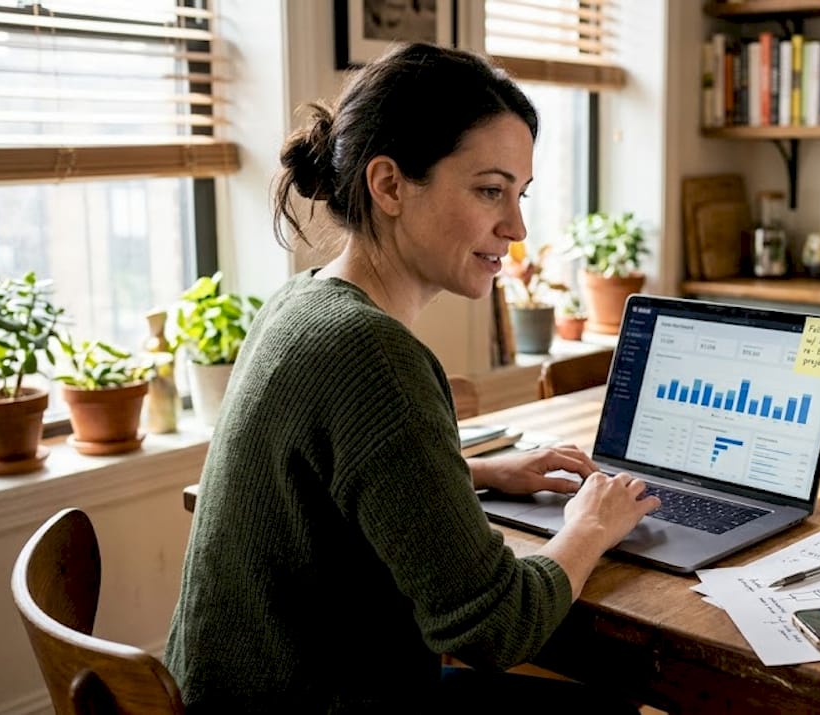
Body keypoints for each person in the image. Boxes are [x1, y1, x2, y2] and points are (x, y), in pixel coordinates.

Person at [164, 42, 659, 713]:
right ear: (390, 184)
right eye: (490, 190)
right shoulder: (373, 353)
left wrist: (475, 471)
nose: (515, 227)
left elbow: (330, 477)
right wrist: (591, 525)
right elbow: (496, 627)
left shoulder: (302, 302)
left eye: (520, 194)